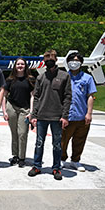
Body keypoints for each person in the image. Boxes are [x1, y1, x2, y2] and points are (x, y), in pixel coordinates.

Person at [28, 50, 71, 181]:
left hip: (57, 116)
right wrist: (33, 115)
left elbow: (67, 97)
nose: (49, 61)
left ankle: (56, 167)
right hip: (42, 115)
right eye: (46, 59)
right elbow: (36, 97)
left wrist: (65, 116)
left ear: (56, 60)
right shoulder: (41, 77)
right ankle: (37, 165)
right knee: (39, 143)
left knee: (57, 144)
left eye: (51, 58)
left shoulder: (64, 76)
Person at [61, 52, 97, 172]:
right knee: (62, 140)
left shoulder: (87, 78)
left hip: (81, 115)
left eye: (77, 60)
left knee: (80, 139)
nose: (74, 62)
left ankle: (75, 160)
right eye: (72, 60)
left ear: (81, 63)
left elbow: (90, 96)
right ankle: (61, 159)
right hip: (67, 116)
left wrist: (89, 113)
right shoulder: (63, 77)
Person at [2, 58, 35, 168]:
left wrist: (31, 111)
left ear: (25, 66)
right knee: (14, 132)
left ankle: (22, 157)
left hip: (24, 109)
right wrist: (4, 110)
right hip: (12, 107)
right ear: (15, 66)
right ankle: (15, 155)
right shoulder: (10, 79)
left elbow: (32, 96)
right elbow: (4, 95)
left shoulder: (30, 79)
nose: (20, 66)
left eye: (22, 64)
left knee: (22, 133)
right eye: (18, 64)